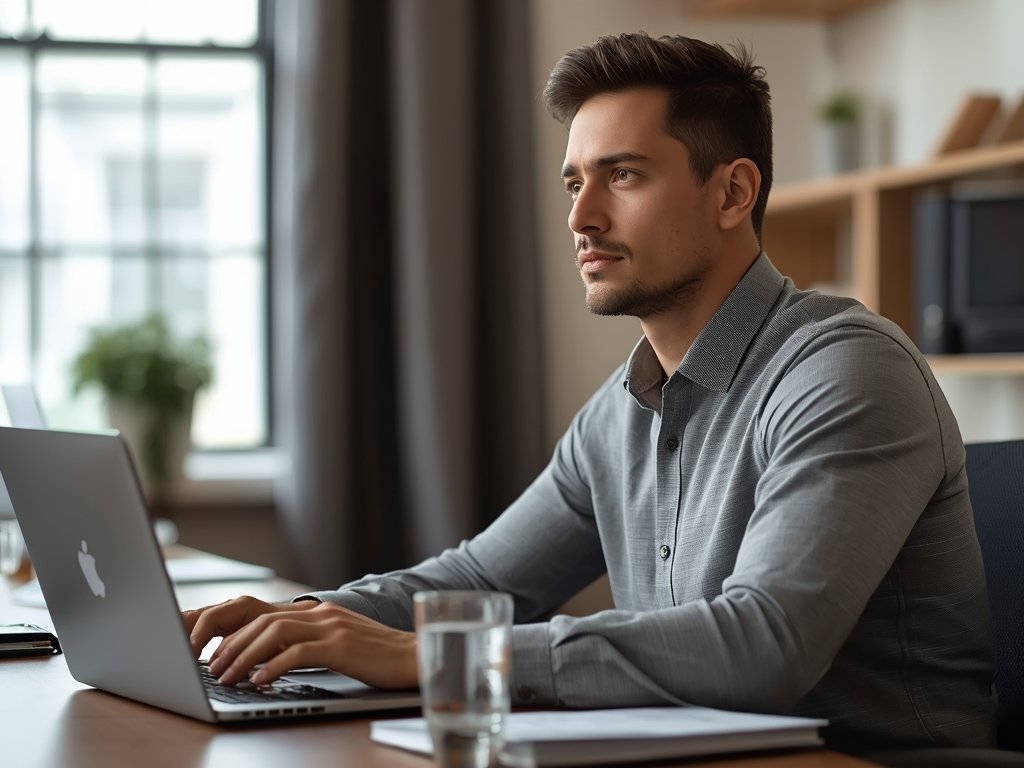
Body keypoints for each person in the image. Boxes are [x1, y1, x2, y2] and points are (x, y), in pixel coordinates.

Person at [185, 32, 996, 754]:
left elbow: (764, 645)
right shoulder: (621, 409)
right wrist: (303, 621)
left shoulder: (846, 371)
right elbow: (478, 580)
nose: (582, 215)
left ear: (733, 193)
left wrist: (434, 655)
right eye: (574, 182)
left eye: (624, 176)